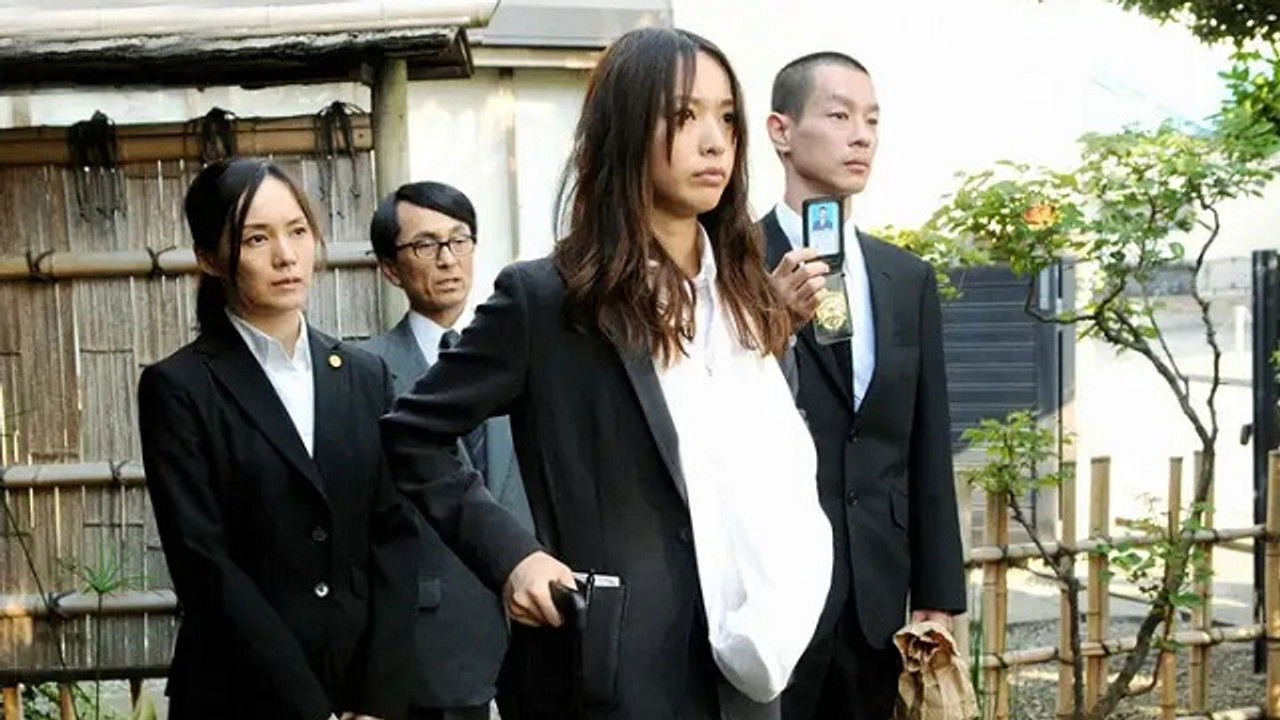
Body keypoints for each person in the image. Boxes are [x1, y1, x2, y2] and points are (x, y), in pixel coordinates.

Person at [381, 27, 831, 720]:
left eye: (726, 118)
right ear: (624, 129)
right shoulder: (547, 299)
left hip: (747, 670)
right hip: (607, 675)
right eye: (683, 115)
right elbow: (412, 434)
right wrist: (514, 557)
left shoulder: (745, 295)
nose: (714, 142)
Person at [137, 158, 416, 720]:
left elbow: (395, 535)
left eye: (297, 231)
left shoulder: (364, 376)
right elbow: (204, 565)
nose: (286, 256)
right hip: (239, 695)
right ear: (210, 258)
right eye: (256, 239)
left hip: (358, 693)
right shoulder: (180, 387)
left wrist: (378, 698)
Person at [762, 52, 967, 720]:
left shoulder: (906, 278)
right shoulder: (728, 262)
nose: (861, 137)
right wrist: (766, 322)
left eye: (872, 120)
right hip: (769, 595)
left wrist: (937, 592)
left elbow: (926, 442)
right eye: (839, 116)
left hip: (879, 600)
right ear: (781, 131)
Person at [360, 181, 534, 720]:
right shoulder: (365, 371)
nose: (448, 258)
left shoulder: (521, 355)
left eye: (459, 240)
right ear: (391, 269)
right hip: (429, 640)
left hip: (533, 629)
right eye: (425, 244)